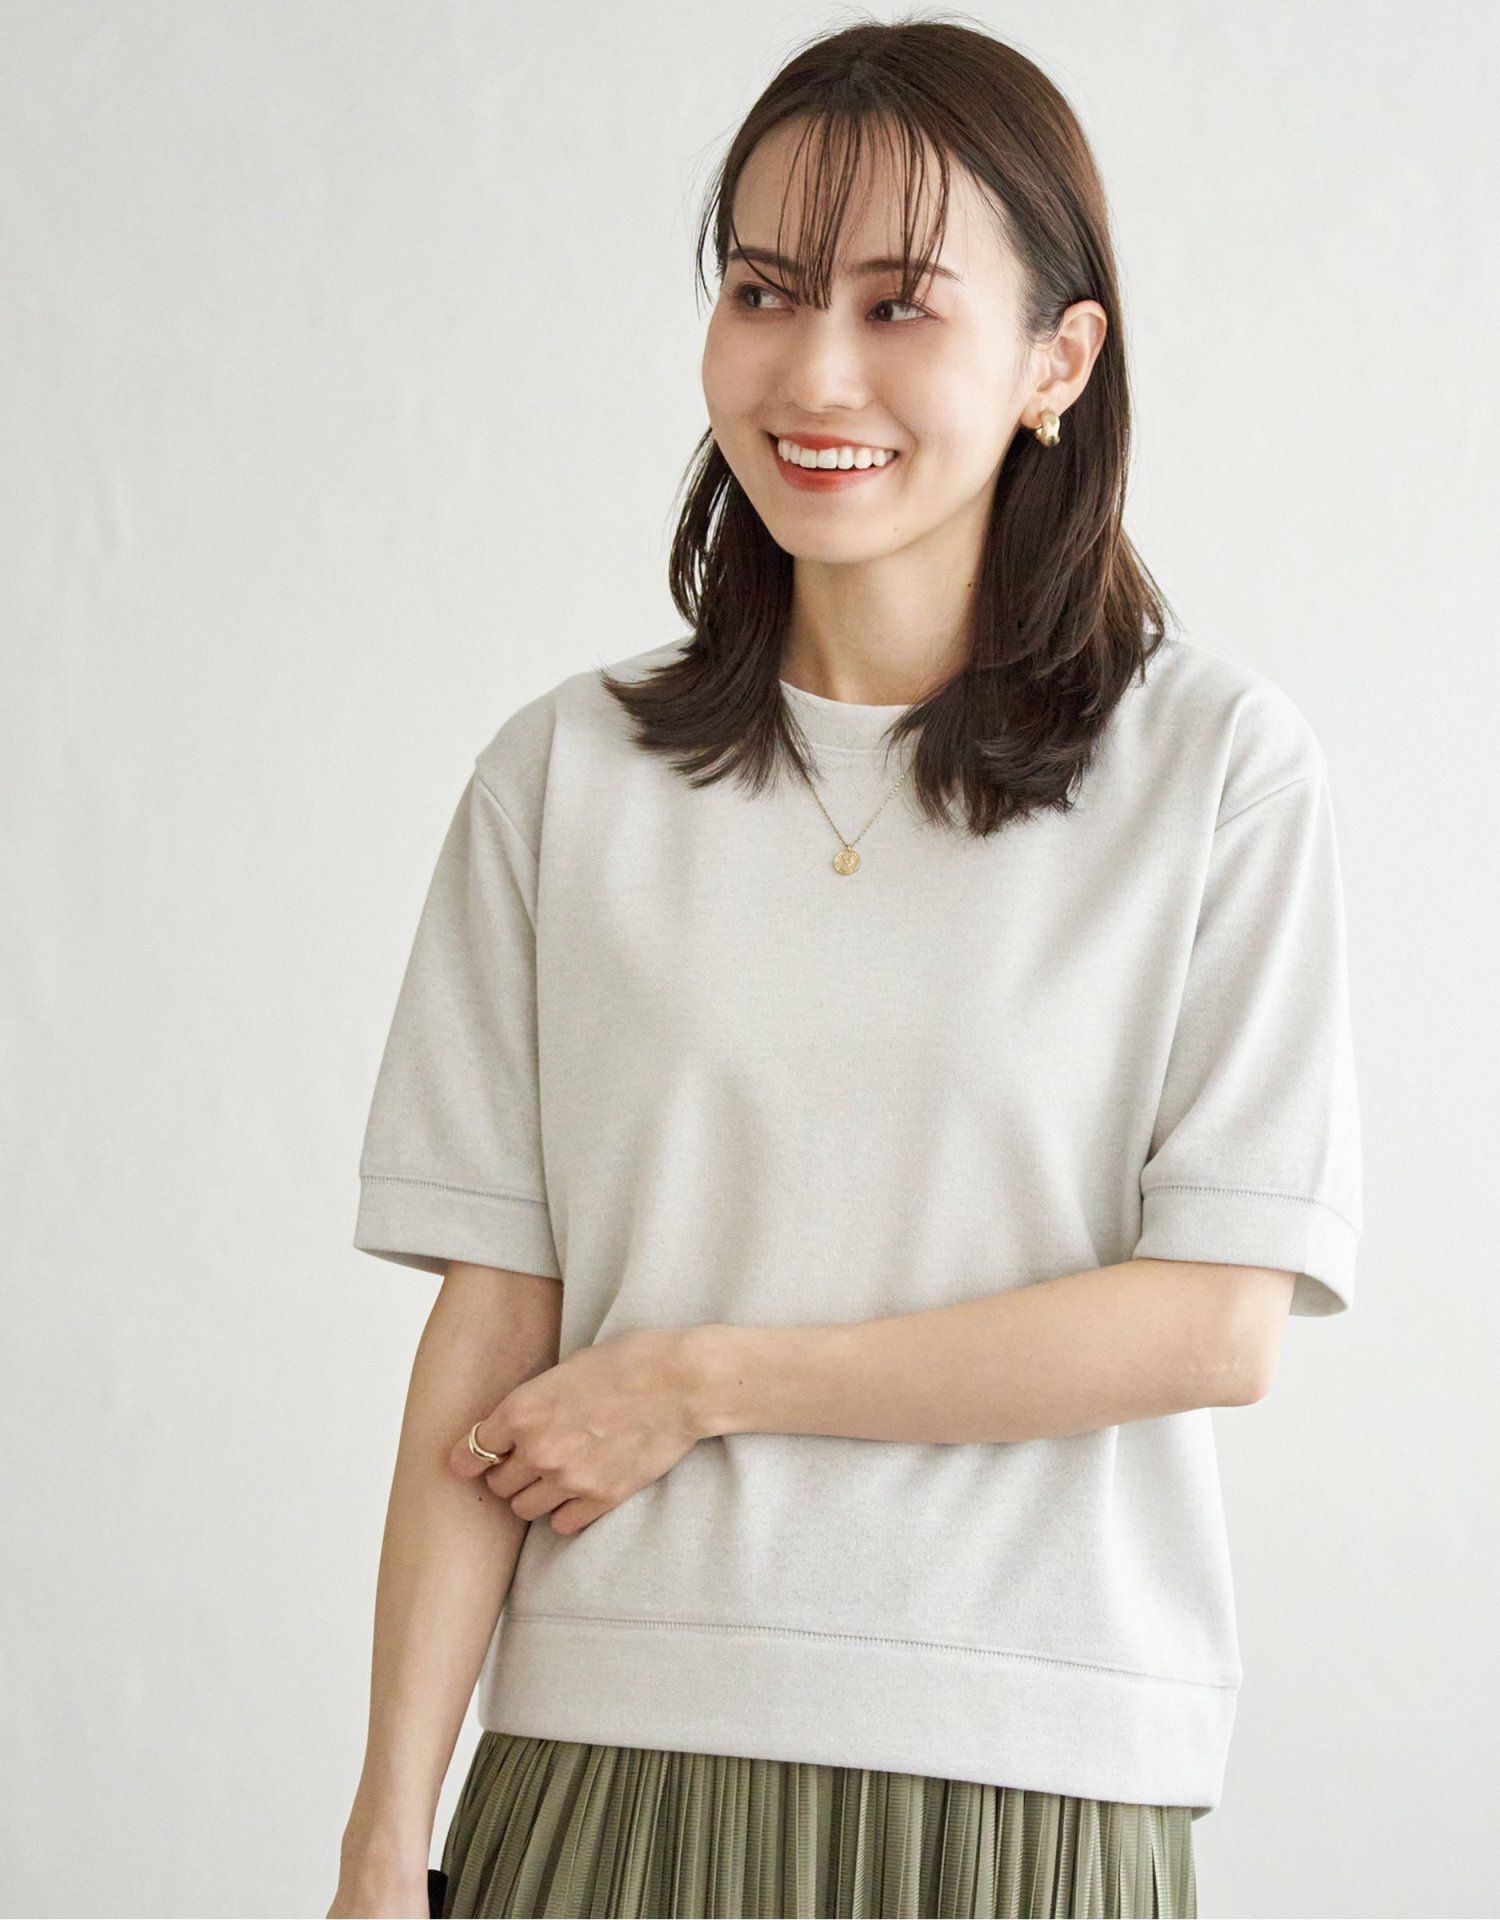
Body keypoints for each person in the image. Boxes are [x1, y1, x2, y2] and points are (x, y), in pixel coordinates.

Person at [329, 19, 1362, 1920]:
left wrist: (708, 1379)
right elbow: (490, 1336)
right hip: (608, 1756)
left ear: (1059, 361)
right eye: (762, 291)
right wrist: (387, 1839)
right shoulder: (564, 778)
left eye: (900, 307)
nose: (814, 373)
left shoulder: (1215, 770)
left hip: (1031, 1762)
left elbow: (1211, 1322)